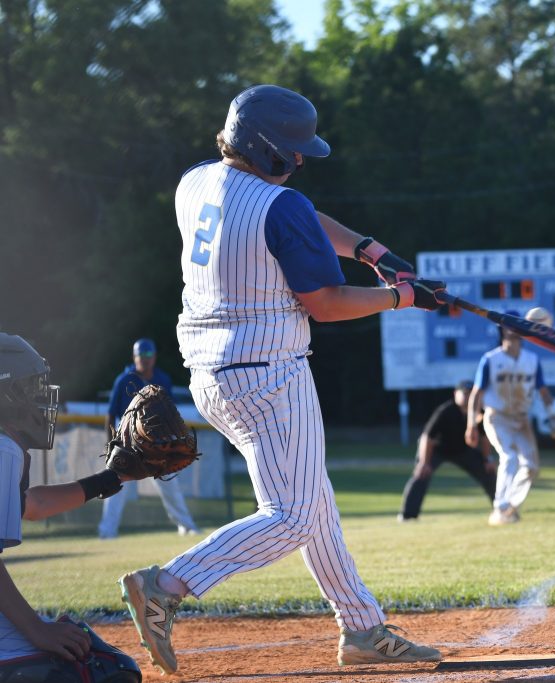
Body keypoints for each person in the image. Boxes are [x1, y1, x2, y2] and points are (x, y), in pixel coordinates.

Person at [117, 84, 447, 675]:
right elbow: (325, 302)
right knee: (292, 514)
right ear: (265, 147)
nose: (299, 160)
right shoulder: (280, 205)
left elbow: (291, 216)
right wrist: (401, 297)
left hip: (210, 375)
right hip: (268, 374)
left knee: (312, 501)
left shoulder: (195, 181)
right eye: (293, 151)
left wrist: (368, 250)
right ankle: (166, 585)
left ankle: (361, 627)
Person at [0, 333, 142, 682]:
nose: (40, 398)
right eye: (30, 388)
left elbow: (31, 505)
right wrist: (37, 629)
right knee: (97, 671)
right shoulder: (4, 448)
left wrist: (111, 479)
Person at [97, 338, 201, 539]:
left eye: (148, 354)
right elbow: (110, 414)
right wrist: (110, 445)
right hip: (127, 443)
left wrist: (171, 441)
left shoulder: (162, 379)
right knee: (115, 486)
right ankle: (106, 532)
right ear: (134, 357)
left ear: (154, 357)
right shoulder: (124, 380)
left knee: (170, 485)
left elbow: (170, 413)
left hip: (155, 444)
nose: (144, 359)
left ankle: (186, 526)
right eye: (140, 355)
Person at [465, 313, 555, 526]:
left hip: (521, 419)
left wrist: (553, 415)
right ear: (501, 330)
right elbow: (476, 393)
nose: (513, 329)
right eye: (509, 325)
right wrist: (471, 424)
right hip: (497, 416)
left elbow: (543, 391)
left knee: (532, 467)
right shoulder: (491, 359)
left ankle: (510, 506)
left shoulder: (531, 360)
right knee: (509, 457)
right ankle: (500, 506)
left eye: (517, 325)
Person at [398, 381, 496, 521]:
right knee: (421, 474)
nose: (468, 397)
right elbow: (427, 437)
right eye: (465, 393)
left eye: (471, 394)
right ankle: (408, 515)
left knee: (488, 471)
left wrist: (487, 459)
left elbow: (484, 437)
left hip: (463, 450)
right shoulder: (445, 411)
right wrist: (424, 463)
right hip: (438, 449)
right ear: (456, 394)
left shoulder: (478, 413)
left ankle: (501, 508)